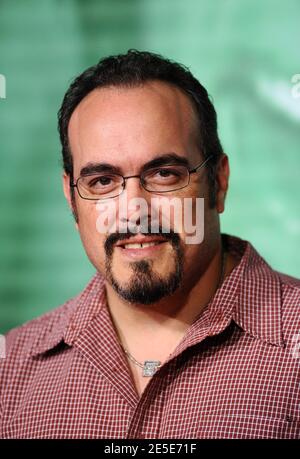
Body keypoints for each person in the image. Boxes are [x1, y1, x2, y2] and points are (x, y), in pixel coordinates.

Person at [1, 50, 299, 439]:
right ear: (71, 197)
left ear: (218, 181)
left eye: (164, 174)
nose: (134, 211)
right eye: (102, 181)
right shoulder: (12, 369)